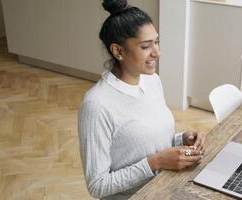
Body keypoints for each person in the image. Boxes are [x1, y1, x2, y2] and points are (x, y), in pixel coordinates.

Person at [78, 0, 206, 199]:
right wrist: (156, 162)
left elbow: (145, 143)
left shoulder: (152, 81)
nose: (157, 52)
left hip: (166, 186)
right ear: (118, 51)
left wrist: (182, 139)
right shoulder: (97, 105)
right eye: (146, 46)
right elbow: (97, 185)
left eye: (157, 42)